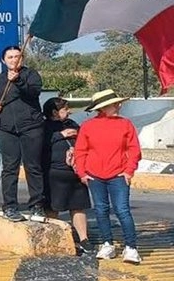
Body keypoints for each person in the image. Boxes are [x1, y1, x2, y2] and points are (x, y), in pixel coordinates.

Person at [73, 89, 142, 265]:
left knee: (122, 210)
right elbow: (80, 151)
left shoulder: (126, 124)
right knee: (101, 210)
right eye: (114, 104)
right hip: (94, 176)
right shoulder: (88, 126)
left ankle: (131, 247)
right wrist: (82, 173)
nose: (119, 106)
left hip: (119, 175)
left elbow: (134, 150)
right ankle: (107, 244)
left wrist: (128, 171)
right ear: (103, 108)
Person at [0, 44, 45, 222]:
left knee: (33, 166)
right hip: (7, 129)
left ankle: (37, 205)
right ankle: (10, 206)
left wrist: (18, 80)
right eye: (10, 57)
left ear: (22, 58)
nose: (13, 60)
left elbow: (33, 92)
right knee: (9, 168)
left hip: (31, 127)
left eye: (17, 56)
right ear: (4, 60)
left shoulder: (31, 75)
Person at [41, 97, 91, 255]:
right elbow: (39, 145)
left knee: (78, 206)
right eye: (65, 109)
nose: (69, 111)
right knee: (53, 207)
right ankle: (54, 239)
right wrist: (59, 136)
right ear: (55, 112)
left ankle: (84, 239)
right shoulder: (44, 127)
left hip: (74, 173)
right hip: (54, 174)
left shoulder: (72, 124)